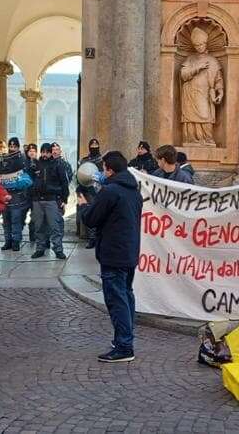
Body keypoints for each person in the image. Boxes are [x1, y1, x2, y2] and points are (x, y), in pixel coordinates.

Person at [78, 151, 143, 363]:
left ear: (109, 169)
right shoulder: (134, 191)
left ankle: (124, 346)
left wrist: (83, 205)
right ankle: (124, 339)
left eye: (103, 168)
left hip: (114, 253)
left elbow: (91, 219)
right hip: (129, 251)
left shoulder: (111, 191)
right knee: (126, 295)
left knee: (117, 300)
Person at [29, 143, 69, 260]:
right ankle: (40, 249)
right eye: (43, 152)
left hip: (52, 199)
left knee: (54, 226)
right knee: (39, 226)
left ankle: (58, 249)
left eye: (47, 152)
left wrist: (64, 199)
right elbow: (29, 180)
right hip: (37, 200)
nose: (45, 154)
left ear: (51, 153)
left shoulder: (58, 164)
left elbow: (64, 182)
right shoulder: (35, 165)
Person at [0, 137, 30, 252]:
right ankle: (8, 241)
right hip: (5, 193)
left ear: (18, 147)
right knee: (6, 219)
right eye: (11, 146)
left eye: (14, 146)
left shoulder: (23, 159)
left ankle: (16, 241)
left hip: (18, 194)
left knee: (16, 219)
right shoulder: (4, 159)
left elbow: (26, 177)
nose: (12, 148)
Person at [78, 138, 103, 249]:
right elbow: (79, 173)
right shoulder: (84, 160)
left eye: (95, 146)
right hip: (84, 189)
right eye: (92, 146)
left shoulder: (102, 160)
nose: (94, 148)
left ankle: (96, 238)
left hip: (97, 190)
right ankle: (90, 237)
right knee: (87, 213)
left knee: (97, 214)